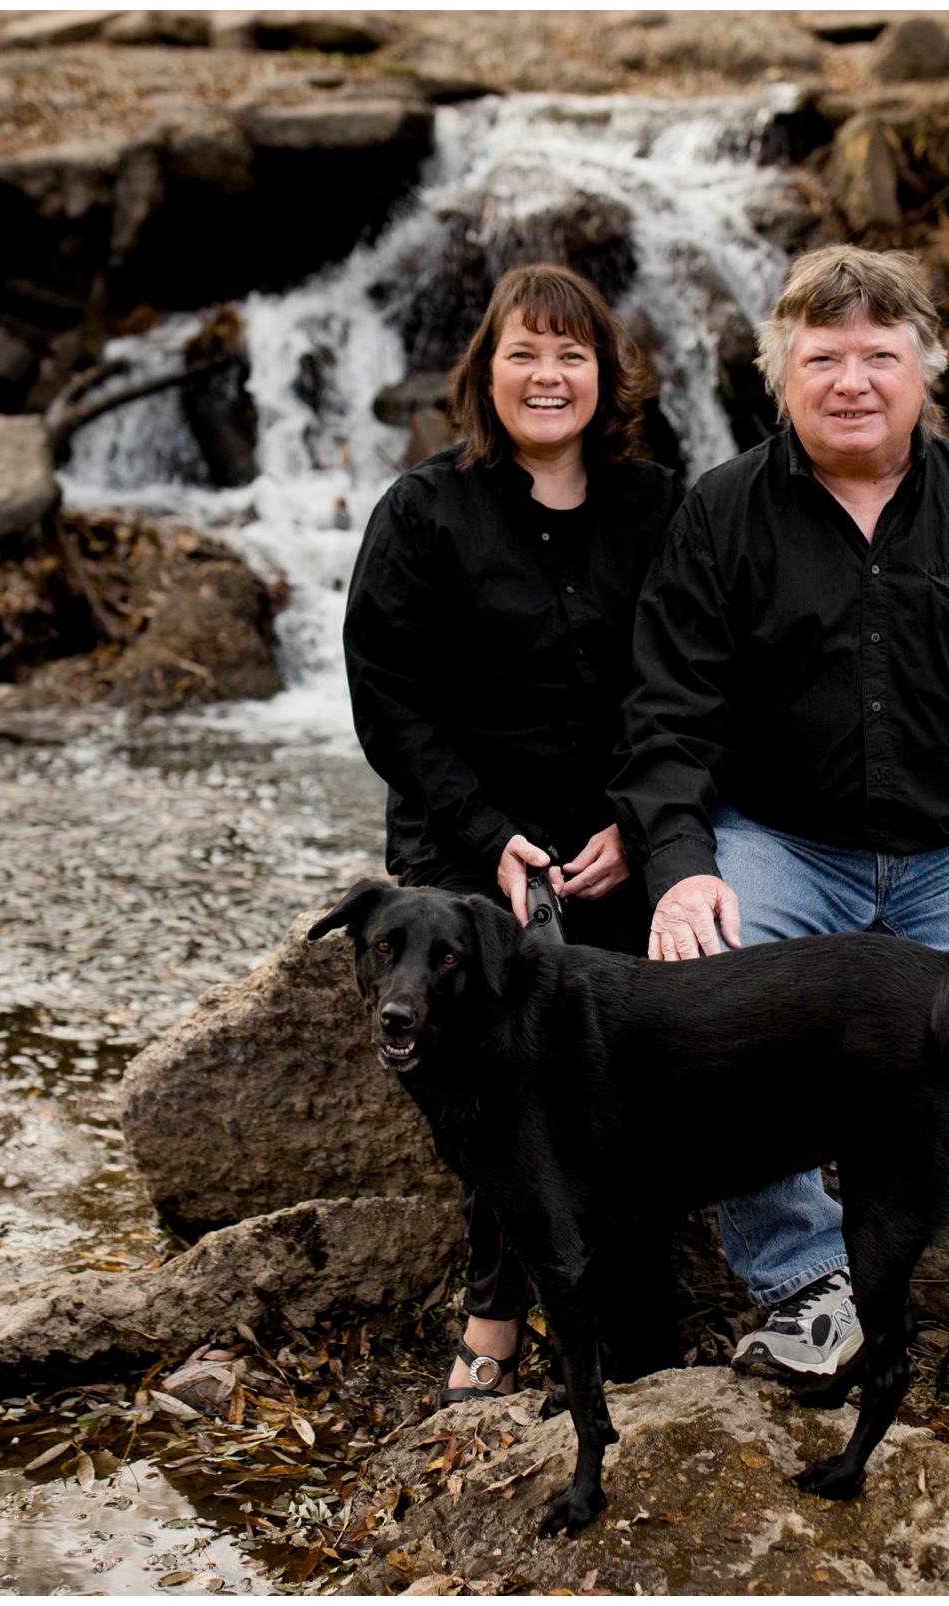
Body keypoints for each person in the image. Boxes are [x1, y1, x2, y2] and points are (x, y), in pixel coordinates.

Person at [609, 244, 949, 1463]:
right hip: (782, 845)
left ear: (923, 370)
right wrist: (682, 864)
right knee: (697, 992)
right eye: (823, 357)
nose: (852, 380)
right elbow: (666, 715)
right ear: (779, 372)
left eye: (878, 356)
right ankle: (803, 1284)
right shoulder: (724, 511)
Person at [343, 263, 684, 1404]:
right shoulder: (424, 511)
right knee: (490, 1035)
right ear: (485, 375)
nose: (548, 375)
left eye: (572, 355)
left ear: (606, 376)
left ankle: (632, 1305)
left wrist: (637, 825)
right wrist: (490, 835)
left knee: (631, 1039)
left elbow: (685, 688)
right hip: (461, 839)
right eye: (524, 354)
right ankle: (498, 1305)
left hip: (613, 836)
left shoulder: (657, 508)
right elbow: (390, 700)